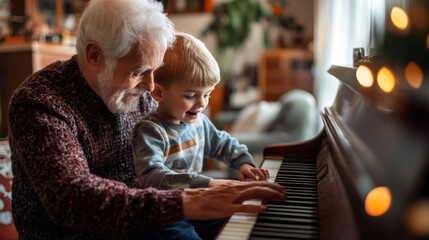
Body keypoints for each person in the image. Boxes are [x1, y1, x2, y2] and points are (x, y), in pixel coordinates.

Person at [7, 0, 286, 239]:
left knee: (253, 218)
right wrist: (188, 200)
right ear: (94, 55)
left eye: (156, 70)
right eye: (140, 71)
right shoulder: (40, 103)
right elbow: (73, 199)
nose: (152, 87)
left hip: (149, 215)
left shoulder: (137, 90)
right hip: (85, 232)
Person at [132, 32, 269, 191]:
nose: (202, 103)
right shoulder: (150, 131)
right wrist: (204, 183)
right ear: (158, 93)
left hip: (195, 200)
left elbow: (223, 144)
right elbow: (151, 175)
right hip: (162, 209)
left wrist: (244, 163)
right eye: (190, 96)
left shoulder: (200, 122)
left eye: (207, 94)